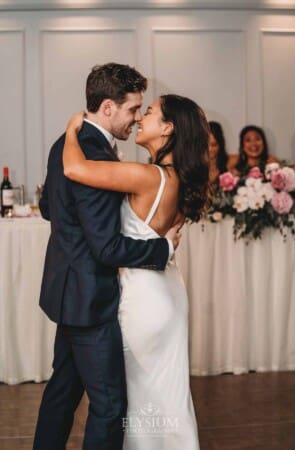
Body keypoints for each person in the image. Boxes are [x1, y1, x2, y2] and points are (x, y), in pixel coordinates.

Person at [33, 63, 180, 450]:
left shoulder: (66, 144)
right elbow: (107, 248)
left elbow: (48, 207)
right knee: (110, 405)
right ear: (109, 107)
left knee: (63, 391)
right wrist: (162, 248)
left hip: (67, 292)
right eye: (133, 109)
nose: (136, 118)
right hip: (90, 299)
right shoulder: (92, 152)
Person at [62, 93, 209, 449]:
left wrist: (70, 131)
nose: (142, 117)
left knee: (142, 398)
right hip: (168, 293)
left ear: (168, 128)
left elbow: (74, 168)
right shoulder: (179, 179)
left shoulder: (150, 177)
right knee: (167, 394)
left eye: (151, 112)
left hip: (144, 298)